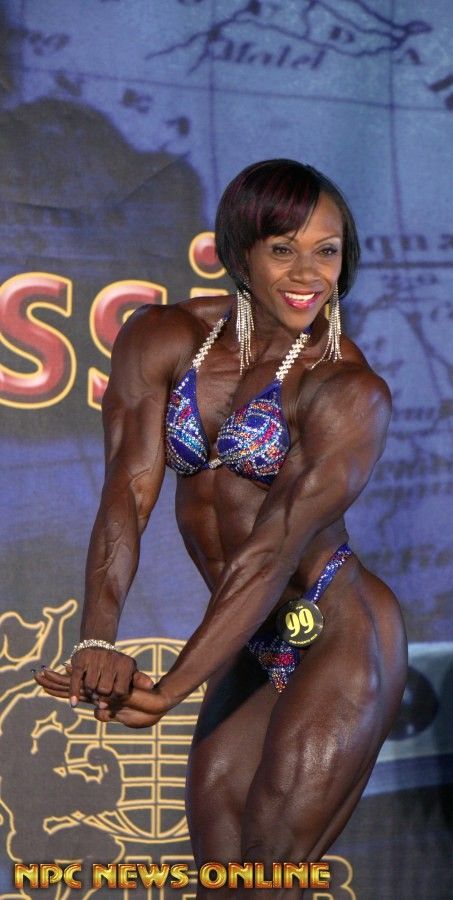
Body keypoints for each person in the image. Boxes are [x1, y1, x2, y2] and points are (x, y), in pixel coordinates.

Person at [36, 159, 407, 898]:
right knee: (224, 878)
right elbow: (127, 491)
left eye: (327, 251)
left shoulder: (346, 386)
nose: (308, 274)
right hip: (246, 639)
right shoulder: (164, 336)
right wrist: (98, 638)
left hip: (335, 631)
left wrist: (171, 689)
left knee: (271, 867)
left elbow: (273, 551)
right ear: (239, 252)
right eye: (283, 249)